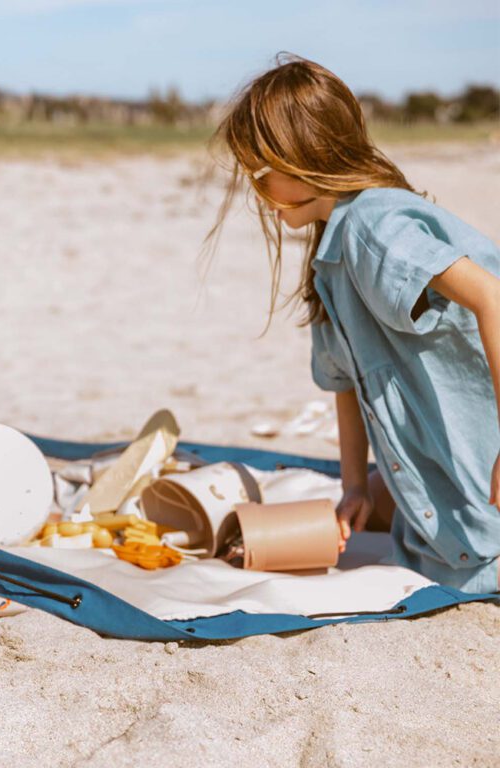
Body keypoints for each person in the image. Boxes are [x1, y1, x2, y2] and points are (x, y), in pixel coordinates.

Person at [203, 53, 500, 594]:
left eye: (262, 173)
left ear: (304, 158)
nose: (258, 192)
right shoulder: (330, 261)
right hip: (434, 483)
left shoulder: (373, 225)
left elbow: (491, 296)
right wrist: (354, 487)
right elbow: (347, 384)